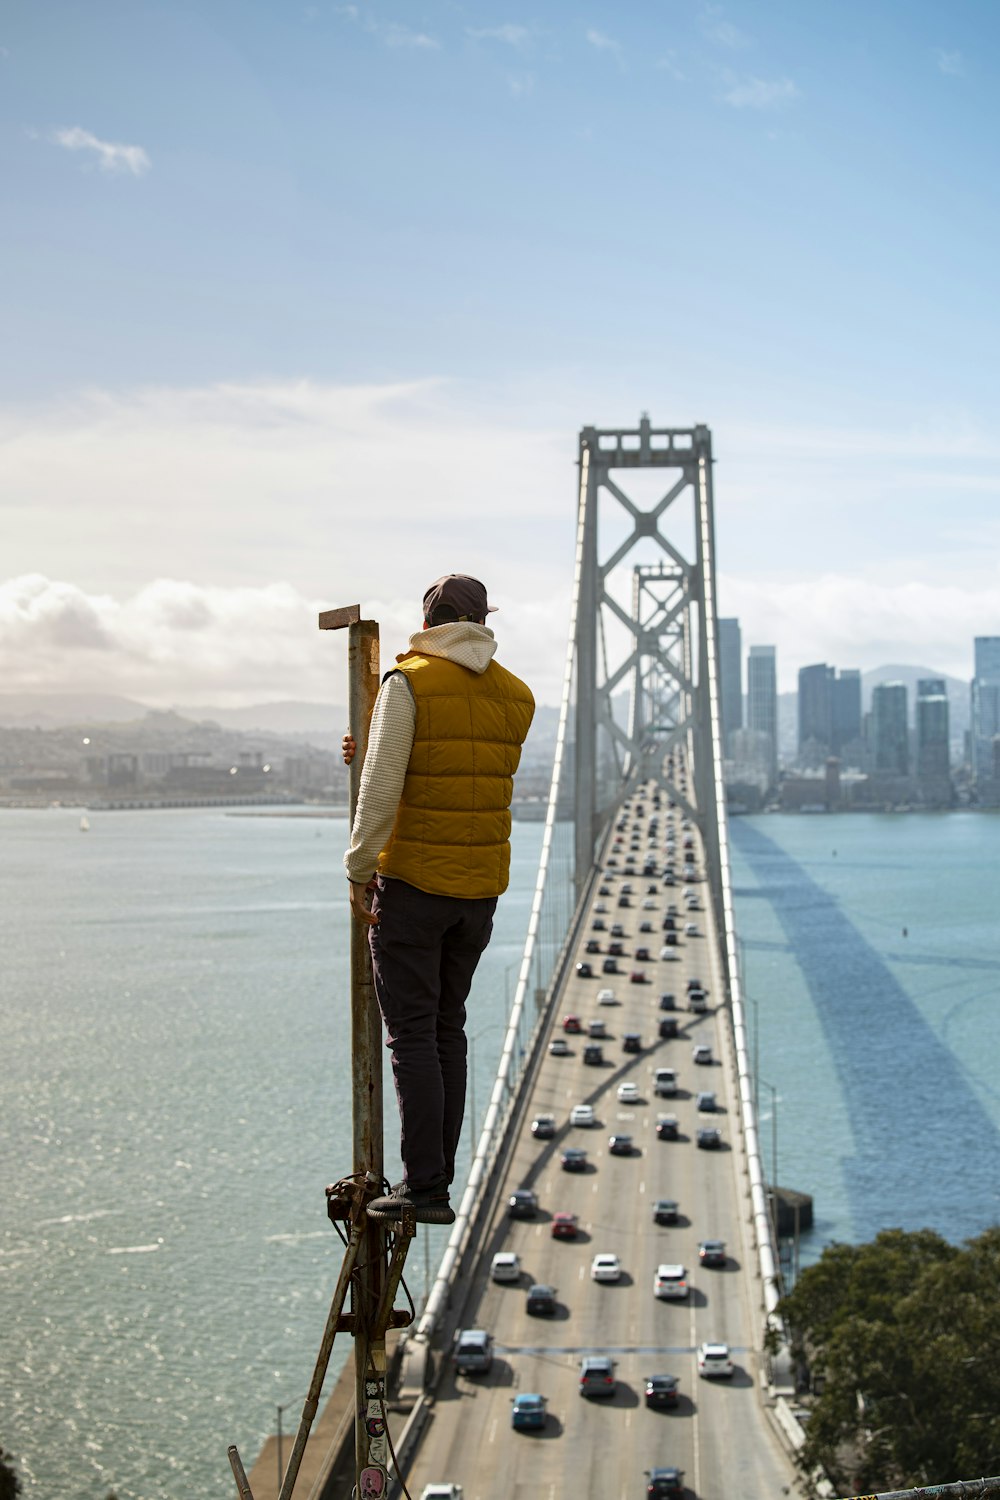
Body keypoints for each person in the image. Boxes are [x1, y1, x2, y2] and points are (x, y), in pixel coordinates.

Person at [342, 574, 534, 1224]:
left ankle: (424, 1187)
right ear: (483, 620)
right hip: (478, 897)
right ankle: (434, 1182)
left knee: (412, 1035)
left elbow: (384, 784)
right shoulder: (517, 697)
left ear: (429, 620)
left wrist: (358, 868)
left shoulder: (409, 683)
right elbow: (457, 766)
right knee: (447, 1027)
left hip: (415, 889)